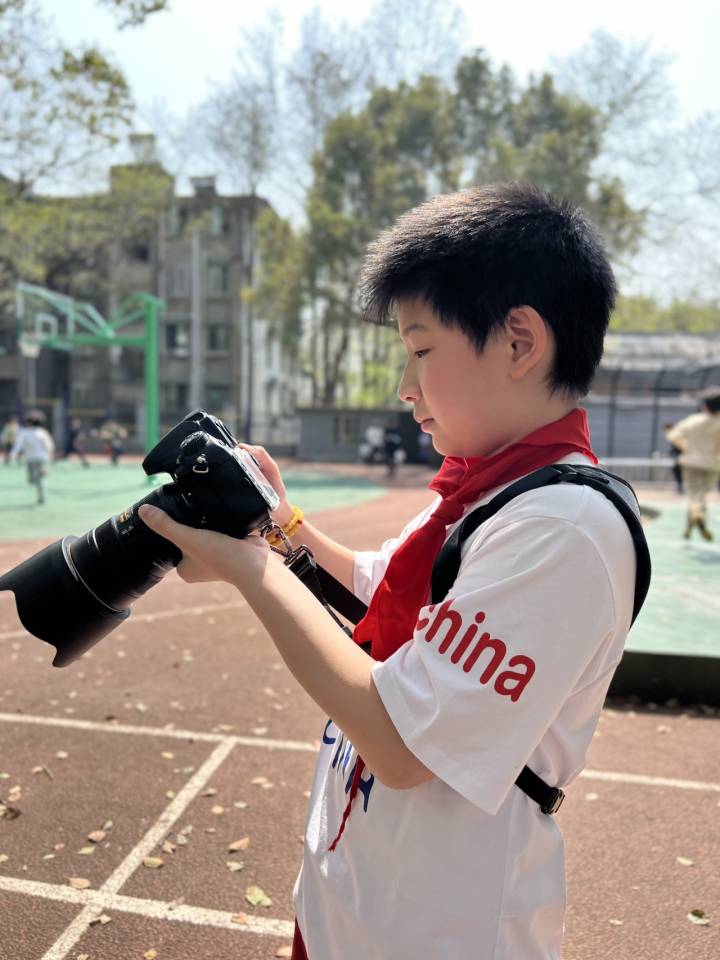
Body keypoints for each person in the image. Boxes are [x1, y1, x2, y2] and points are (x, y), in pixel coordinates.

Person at [139, 183, 638, 960]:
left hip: (440, 928)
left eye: (421, 349)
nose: (405, 387)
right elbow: (384, 596)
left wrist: (250, 571)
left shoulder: (564, 528)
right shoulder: (486, 493)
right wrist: (275, 524)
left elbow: (402, 749)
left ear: (518, 342)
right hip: (360, 899)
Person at [665, 392, 720, 541]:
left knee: (693, 494)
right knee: (700, 495)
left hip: (690, 462)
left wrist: (685, 447)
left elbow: (673, 435)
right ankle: (690, 526)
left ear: (705, 406)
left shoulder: (694, 420)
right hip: (712, 464)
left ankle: (696, 518)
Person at [10, 411, 55, 504]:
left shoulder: (41, 432)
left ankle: (41, 496)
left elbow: (48, 445)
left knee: (39, 479)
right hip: (30, 458)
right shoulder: (25, 432)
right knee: (31, 479)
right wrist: (14, 454)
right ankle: (40, 475)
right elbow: (19, 444)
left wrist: (14, 454)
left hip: (39, 458)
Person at [663, 421, 684, 494]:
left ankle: (680, 487)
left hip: (681, 457)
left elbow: (678, 447)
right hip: (680, 456)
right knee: (677, 471)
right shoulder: (675, 434)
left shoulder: (673, 435)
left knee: (677, 471)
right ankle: (680, 487)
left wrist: (671, 454)